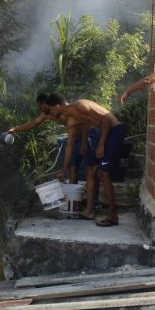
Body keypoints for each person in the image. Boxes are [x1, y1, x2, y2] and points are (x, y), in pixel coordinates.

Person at [47, 97, 125, 227]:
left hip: (114, 131)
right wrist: (64, 169)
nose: (50, 114)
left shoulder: (79, 105)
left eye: (50, 110)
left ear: (57, 106)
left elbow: (105, 118)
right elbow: (75, 139)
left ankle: (113, 216)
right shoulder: (72, 115)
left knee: (103, 174)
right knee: (92, 171)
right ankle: (90, 211)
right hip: (105, 134)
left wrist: (101, 144)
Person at [7, 93, 96, 186]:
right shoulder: (47, 115)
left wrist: (85, 141)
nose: (40, 109)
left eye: (40, 106)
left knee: (89, 169)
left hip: (87, 135)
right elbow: (32, 123)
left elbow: (85, 121)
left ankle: (90, 192)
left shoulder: (66, 110)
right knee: (72, 168)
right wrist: (15, 129)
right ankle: (73, 197)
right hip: (75, 138)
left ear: (46, 103)